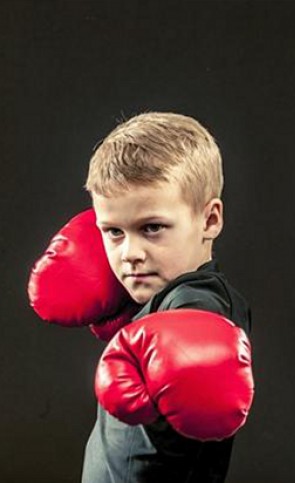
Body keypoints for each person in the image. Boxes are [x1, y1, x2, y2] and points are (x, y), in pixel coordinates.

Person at [28, 112, 254, 482]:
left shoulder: (201, 300)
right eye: (114, 231)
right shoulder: (159, 298)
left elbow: (200, 324)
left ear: (210, 220)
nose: (129, 252)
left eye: (152, 228)